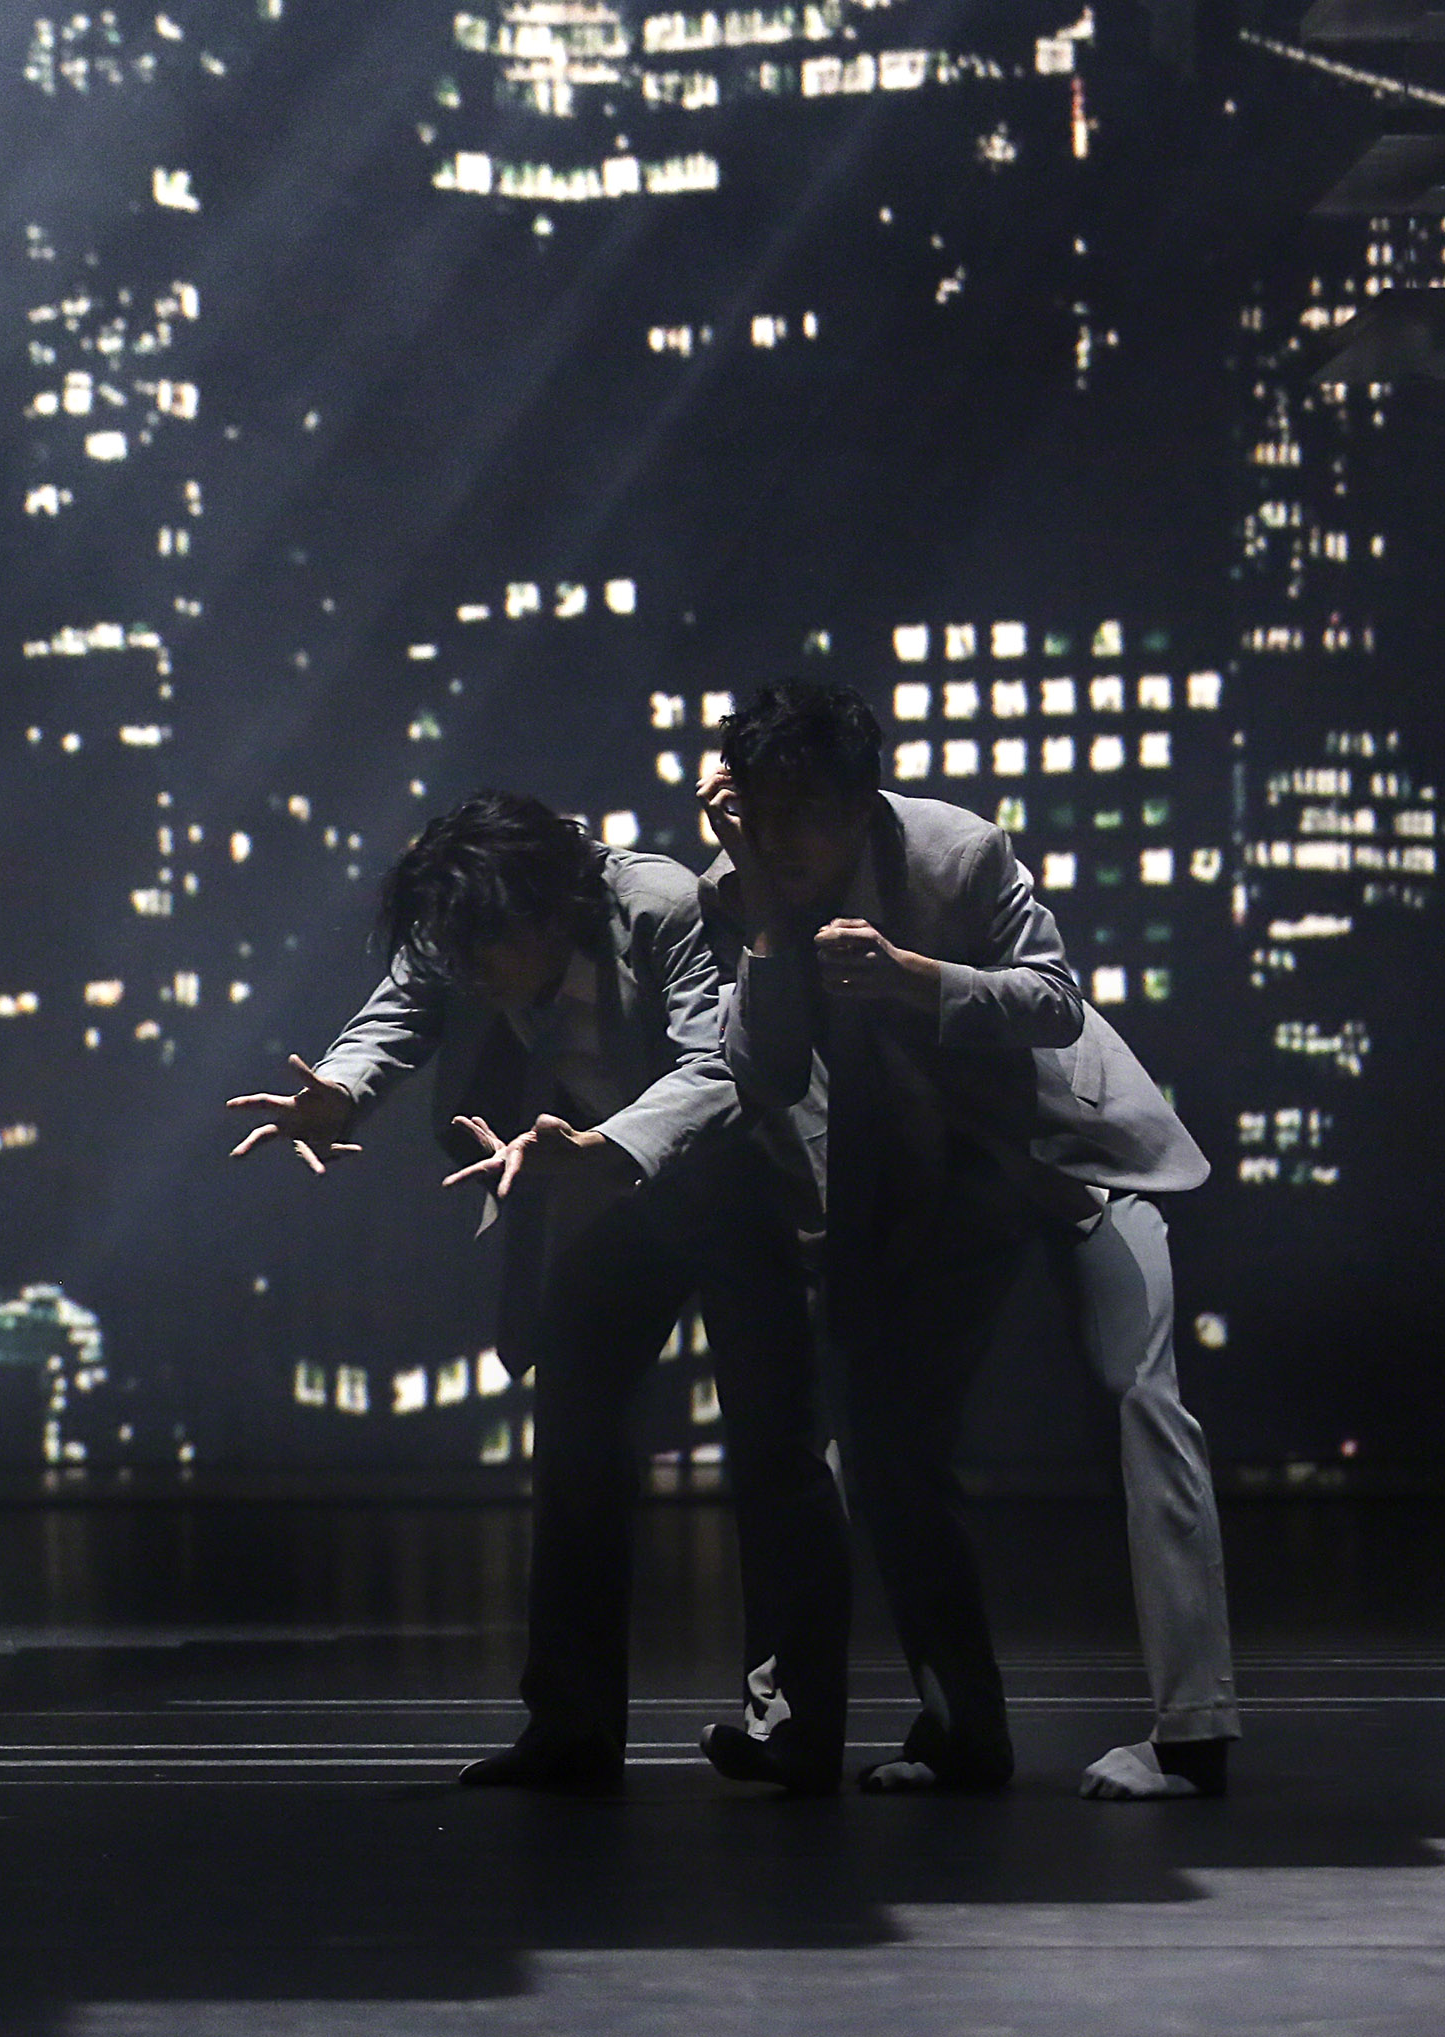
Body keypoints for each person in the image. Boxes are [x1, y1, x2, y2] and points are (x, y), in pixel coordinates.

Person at [229, 791, 844, 1794]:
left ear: (553, 911)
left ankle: (795, 1728)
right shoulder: (466, 920)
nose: (470, 971)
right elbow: (399, 1010)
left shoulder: (659, 904)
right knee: (572, 1438)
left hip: (742, 1179)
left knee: (775, 1450)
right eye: (455, 949)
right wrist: (337, 1092)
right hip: (608, 1192)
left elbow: (722, 1067)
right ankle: (571, 1728)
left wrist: (606, 1144)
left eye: (485, 951)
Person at [701, 682, 1235, 1798]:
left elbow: (1055, 1003)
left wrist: (917, 978)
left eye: (810, 815)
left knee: (1142, 1404)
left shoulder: (958, 849)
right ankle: (961, 1732)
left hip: (1072, 1151)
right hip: (926, 1188)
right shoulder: (737, 886)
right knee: (888, 1445)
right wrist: (761, 906)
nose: (787, 839)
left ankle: (1193, 1735)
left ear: (861, 806)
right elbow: (764, 1070)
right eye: (764, 812)